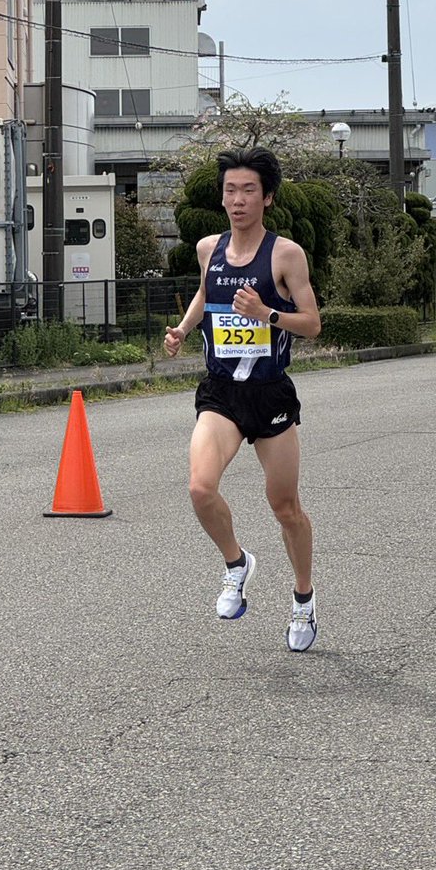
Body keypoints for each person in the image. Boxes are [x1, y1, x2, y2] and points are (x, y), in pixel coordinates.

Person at [164, 146, 322, 650]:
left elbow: (313, 325)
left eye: (248, 190)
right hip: (221, 391)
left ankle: (303, 600)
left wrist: (267, 315)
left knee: (285, 505)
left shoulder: (285, 254)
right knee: (199, 488)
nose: (237, 199)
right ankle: (237, 563)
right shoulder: (208, 247)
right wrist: (185, 330)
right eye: (230, 189)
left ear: (267, 197)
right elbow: (206, 293)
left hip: (270, 391)